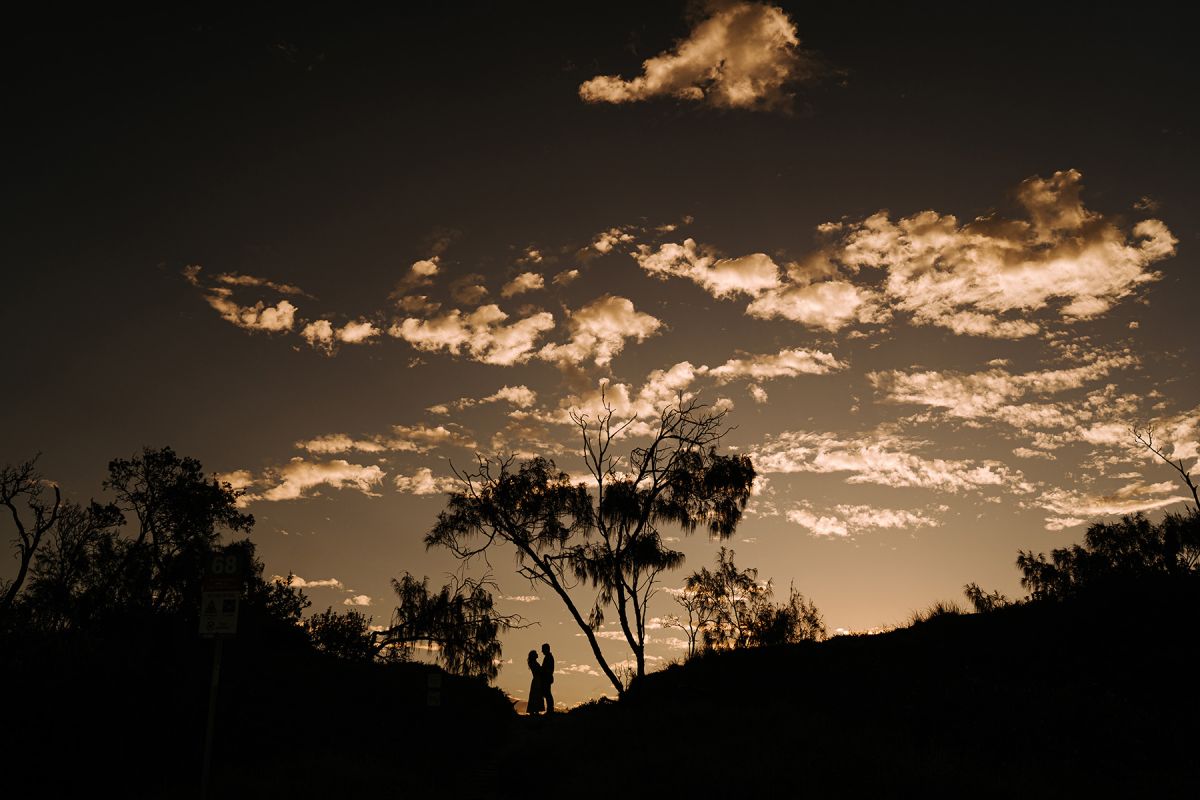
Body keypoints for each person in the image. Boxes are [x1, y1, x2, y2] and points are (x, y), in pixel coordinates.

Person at [526, 650, 544, 715]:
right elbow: (538, 671)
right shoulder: (533, 663)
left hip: (537, 680)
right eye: (536, 653)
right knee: (536, 695)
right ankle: (535, 710)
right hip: (537, 680)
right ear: (533, 655)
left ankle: (535, 710)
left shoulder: (534, 662)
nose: (537, 654)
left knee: (536, 695)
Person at [540, 643, 555, 713]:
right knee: (547, 693)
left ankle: (550, 709)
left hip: (547, 678)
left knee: (548, 694)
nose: (542, 651)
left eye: (543, 649)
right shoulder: (548, 657)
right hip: (547, 678)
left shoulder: (549, 657)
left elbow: (547, 669)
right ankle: (550, 709)